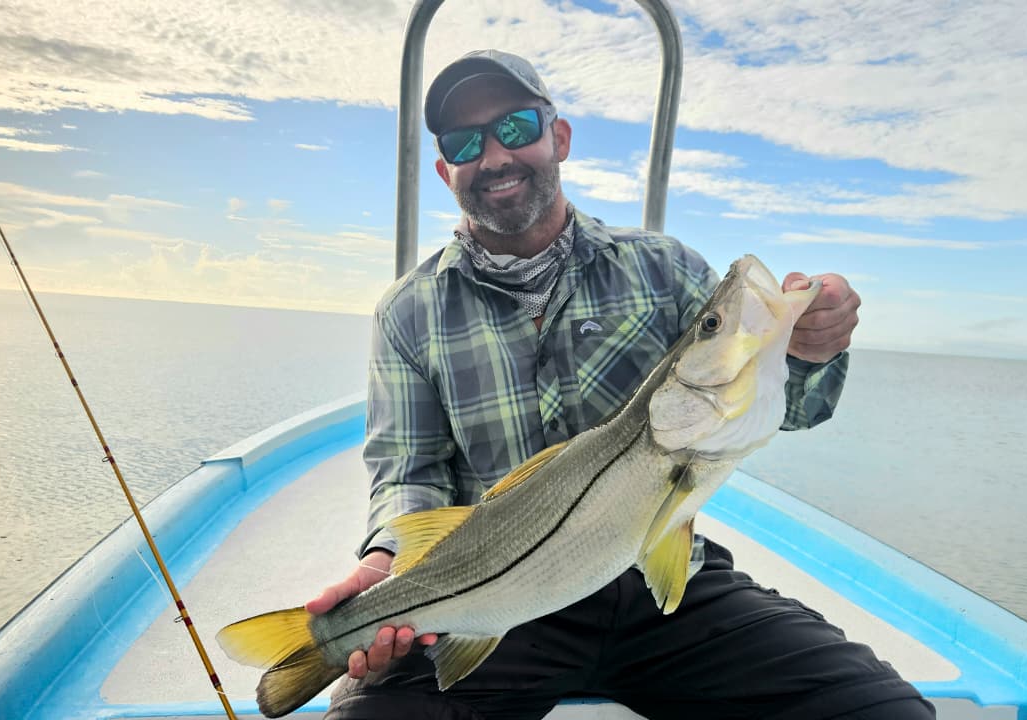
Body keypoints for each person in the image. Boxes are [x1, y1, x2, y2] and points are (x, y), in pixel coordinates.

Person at [309, 49, 932, 719]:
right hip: (496, 601)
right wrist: (387, 563)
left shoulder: (664, 269)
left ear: (560, 137)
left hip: (668, 592)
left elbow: (792, 408)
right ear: (445, 171)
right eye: (465, 143)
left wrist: (809, 347)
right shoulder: (408, 311)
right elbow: (411, 471)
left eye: (515, 127)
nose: (493, 156)